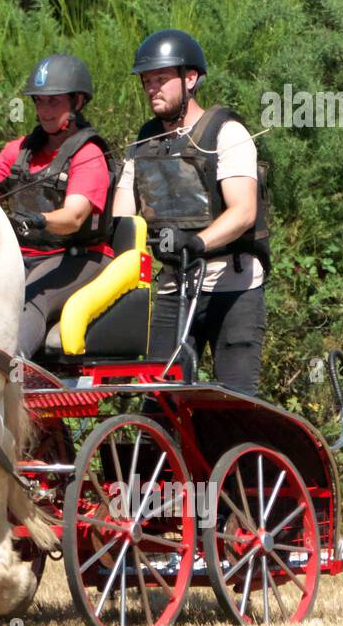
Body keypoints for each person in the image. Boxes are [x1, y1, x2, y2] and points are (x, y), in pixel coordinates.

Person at [112, 29, 270, 394]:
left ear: (191, 79)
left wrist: (195, 243)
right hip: (172, 286)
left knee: (236, 403)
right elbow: (125, 220)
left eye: (162, 79)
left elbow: (243, 212)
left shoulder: (226, 133)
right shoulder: (144, 143)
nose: (152, 88)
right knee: (161, 402)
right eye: (147, 81)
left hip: (233, 286)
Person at [0, 54, 114, 357]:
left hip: (80, 257)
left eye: (53, 102)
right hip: (24, 256)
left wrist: (39, 219)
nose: (44, 111)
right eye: (39, 102)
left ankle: (10, 372)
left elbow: (74, 217)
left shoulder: (88, 154)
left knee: (28, 299)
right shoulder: (17, 150)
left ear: (77, 101)